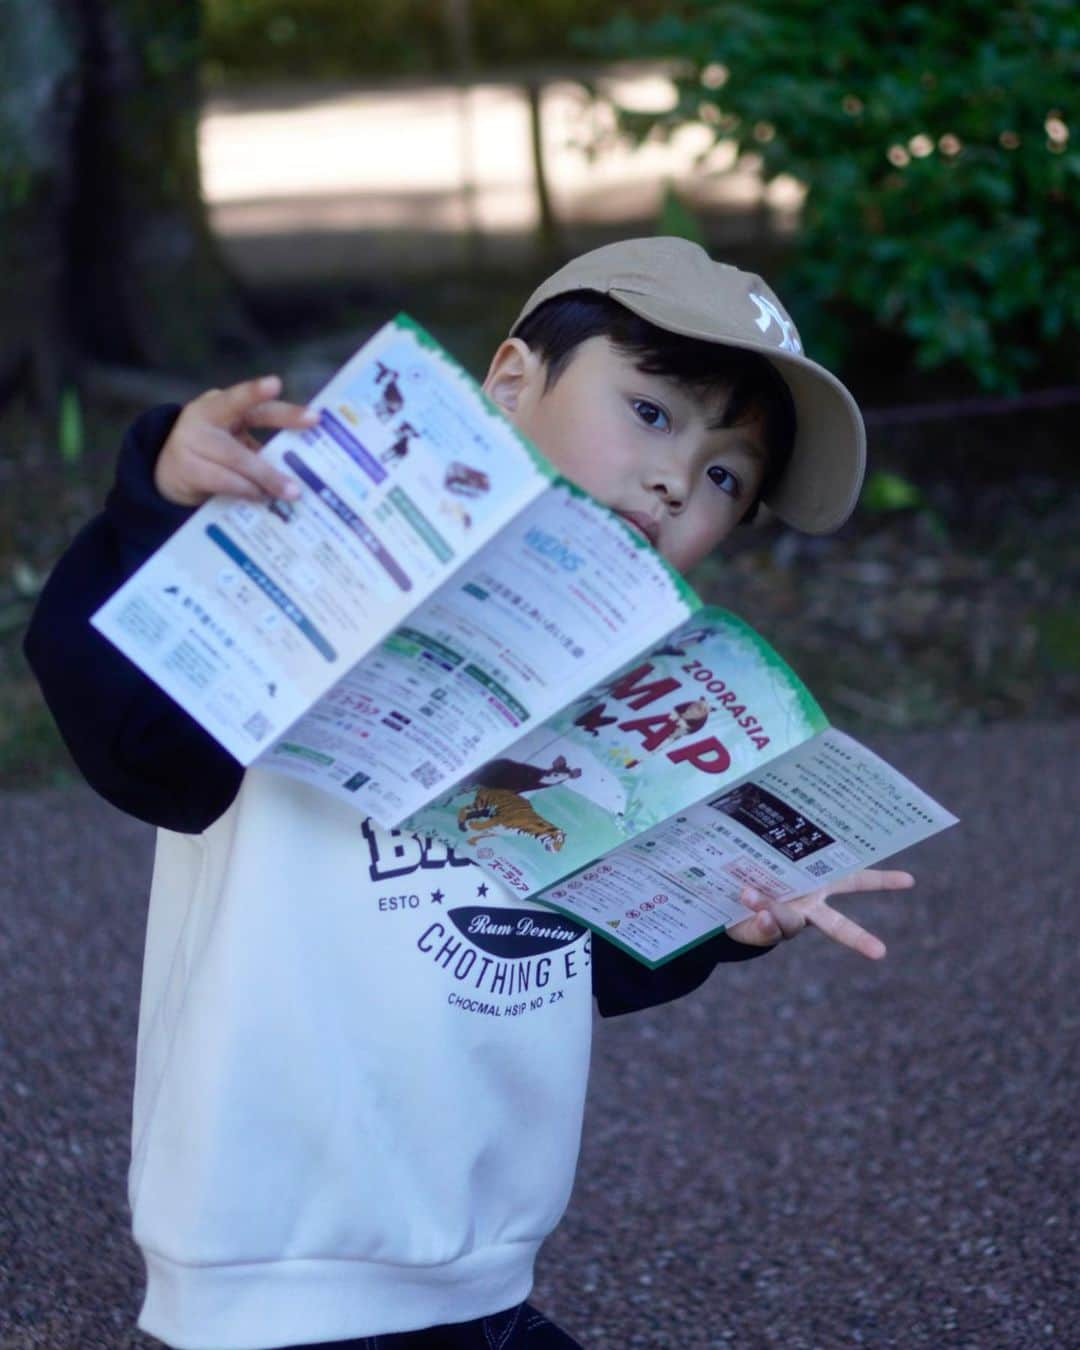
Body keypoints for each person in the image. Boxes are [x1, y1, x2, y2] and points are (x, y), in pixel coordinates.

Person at [24, 237, 913, 1350]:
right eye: (652, 412)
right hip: (275, 1268)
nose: (679, 478)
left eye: (726, 475)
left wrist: (717, 917)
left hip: (478, 1270)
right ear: (508, 382)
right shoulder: (315, 578)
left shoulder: (621, 691)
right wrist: (159, 504)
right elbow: (135, 744)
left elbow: (557, 947)